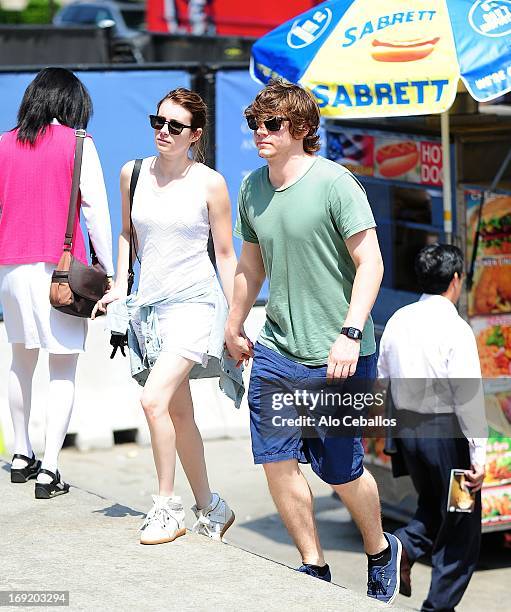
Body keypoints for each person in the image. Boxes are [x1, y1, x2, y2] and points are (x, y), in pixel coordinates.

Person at [224, 80, 401, 604]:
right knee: (277, 459)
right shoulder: (252, 186)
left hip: (341, 352)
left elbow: (372, 262)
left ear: (302, 131)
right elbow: (251, 266)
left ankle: (379, 550)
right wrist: (234, 324)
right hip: (278, 348)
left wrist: (350, 333)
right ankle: (313, 566)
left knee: (341, 472)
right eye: (256, 122)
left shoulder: (336, 183)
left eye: (272, 124)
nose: (261, 131)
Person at [93, 88, 238, 545]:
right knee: (178, 413)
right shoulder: (132, 173)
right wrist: (120, 286)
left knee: (153, 400)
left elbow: (226, 253)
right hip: (150, 309)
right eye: (158, 121)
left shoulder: (210, 182)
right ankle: (212, 505)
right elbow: (124, 233)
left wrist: (236, 318)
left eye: (175, 126)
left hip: (195, 304)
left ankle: (166, 506)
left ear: (195, 135)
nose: (163, 132)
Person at [0, 68, 114, 498]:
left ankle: (20, 454)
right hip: (60, 272)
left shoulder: (4, 144)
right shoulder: (80, 144)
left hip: (10, 267)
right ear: (72, 104)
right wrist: (107, 270)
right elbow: (96, 213)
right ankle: (49, 469)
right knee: (62, 368)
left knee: (19, 361)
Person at [377, 244, 488, 611]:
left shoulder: (398, 319)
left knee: (431, 505)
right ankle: (437, 608)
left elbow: (382, 379)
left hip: (409, 435)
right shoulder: (455, 328)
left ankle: (402, 549)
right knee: (462, 525)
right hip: (448, 441)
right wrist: (479, 457)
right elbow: (467, 399)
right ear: (456, 280)